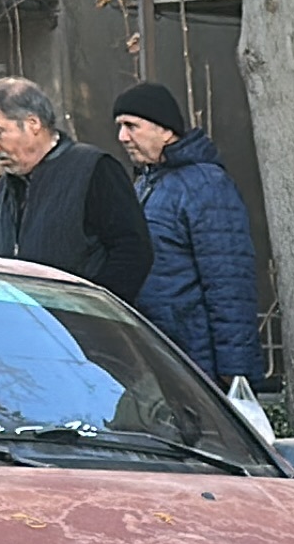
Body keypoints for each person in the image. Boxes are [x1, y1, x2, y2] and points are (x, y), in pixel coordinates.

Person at [110, 81, 261, 381]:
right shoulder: (148, 182)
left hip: (196, 365)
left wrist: (236, 373)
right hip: (160, 356)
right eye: (120, 126)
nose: (122, 137)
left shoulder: (206, 185)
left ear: (165, 131)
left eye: (131, 126)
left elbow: (229, 284)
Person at [0, 77, 150, 302]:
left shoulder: (93, 169)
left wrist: (92, 310)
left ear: (33, 123)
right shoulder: (5, 187)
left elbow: (132, 253)